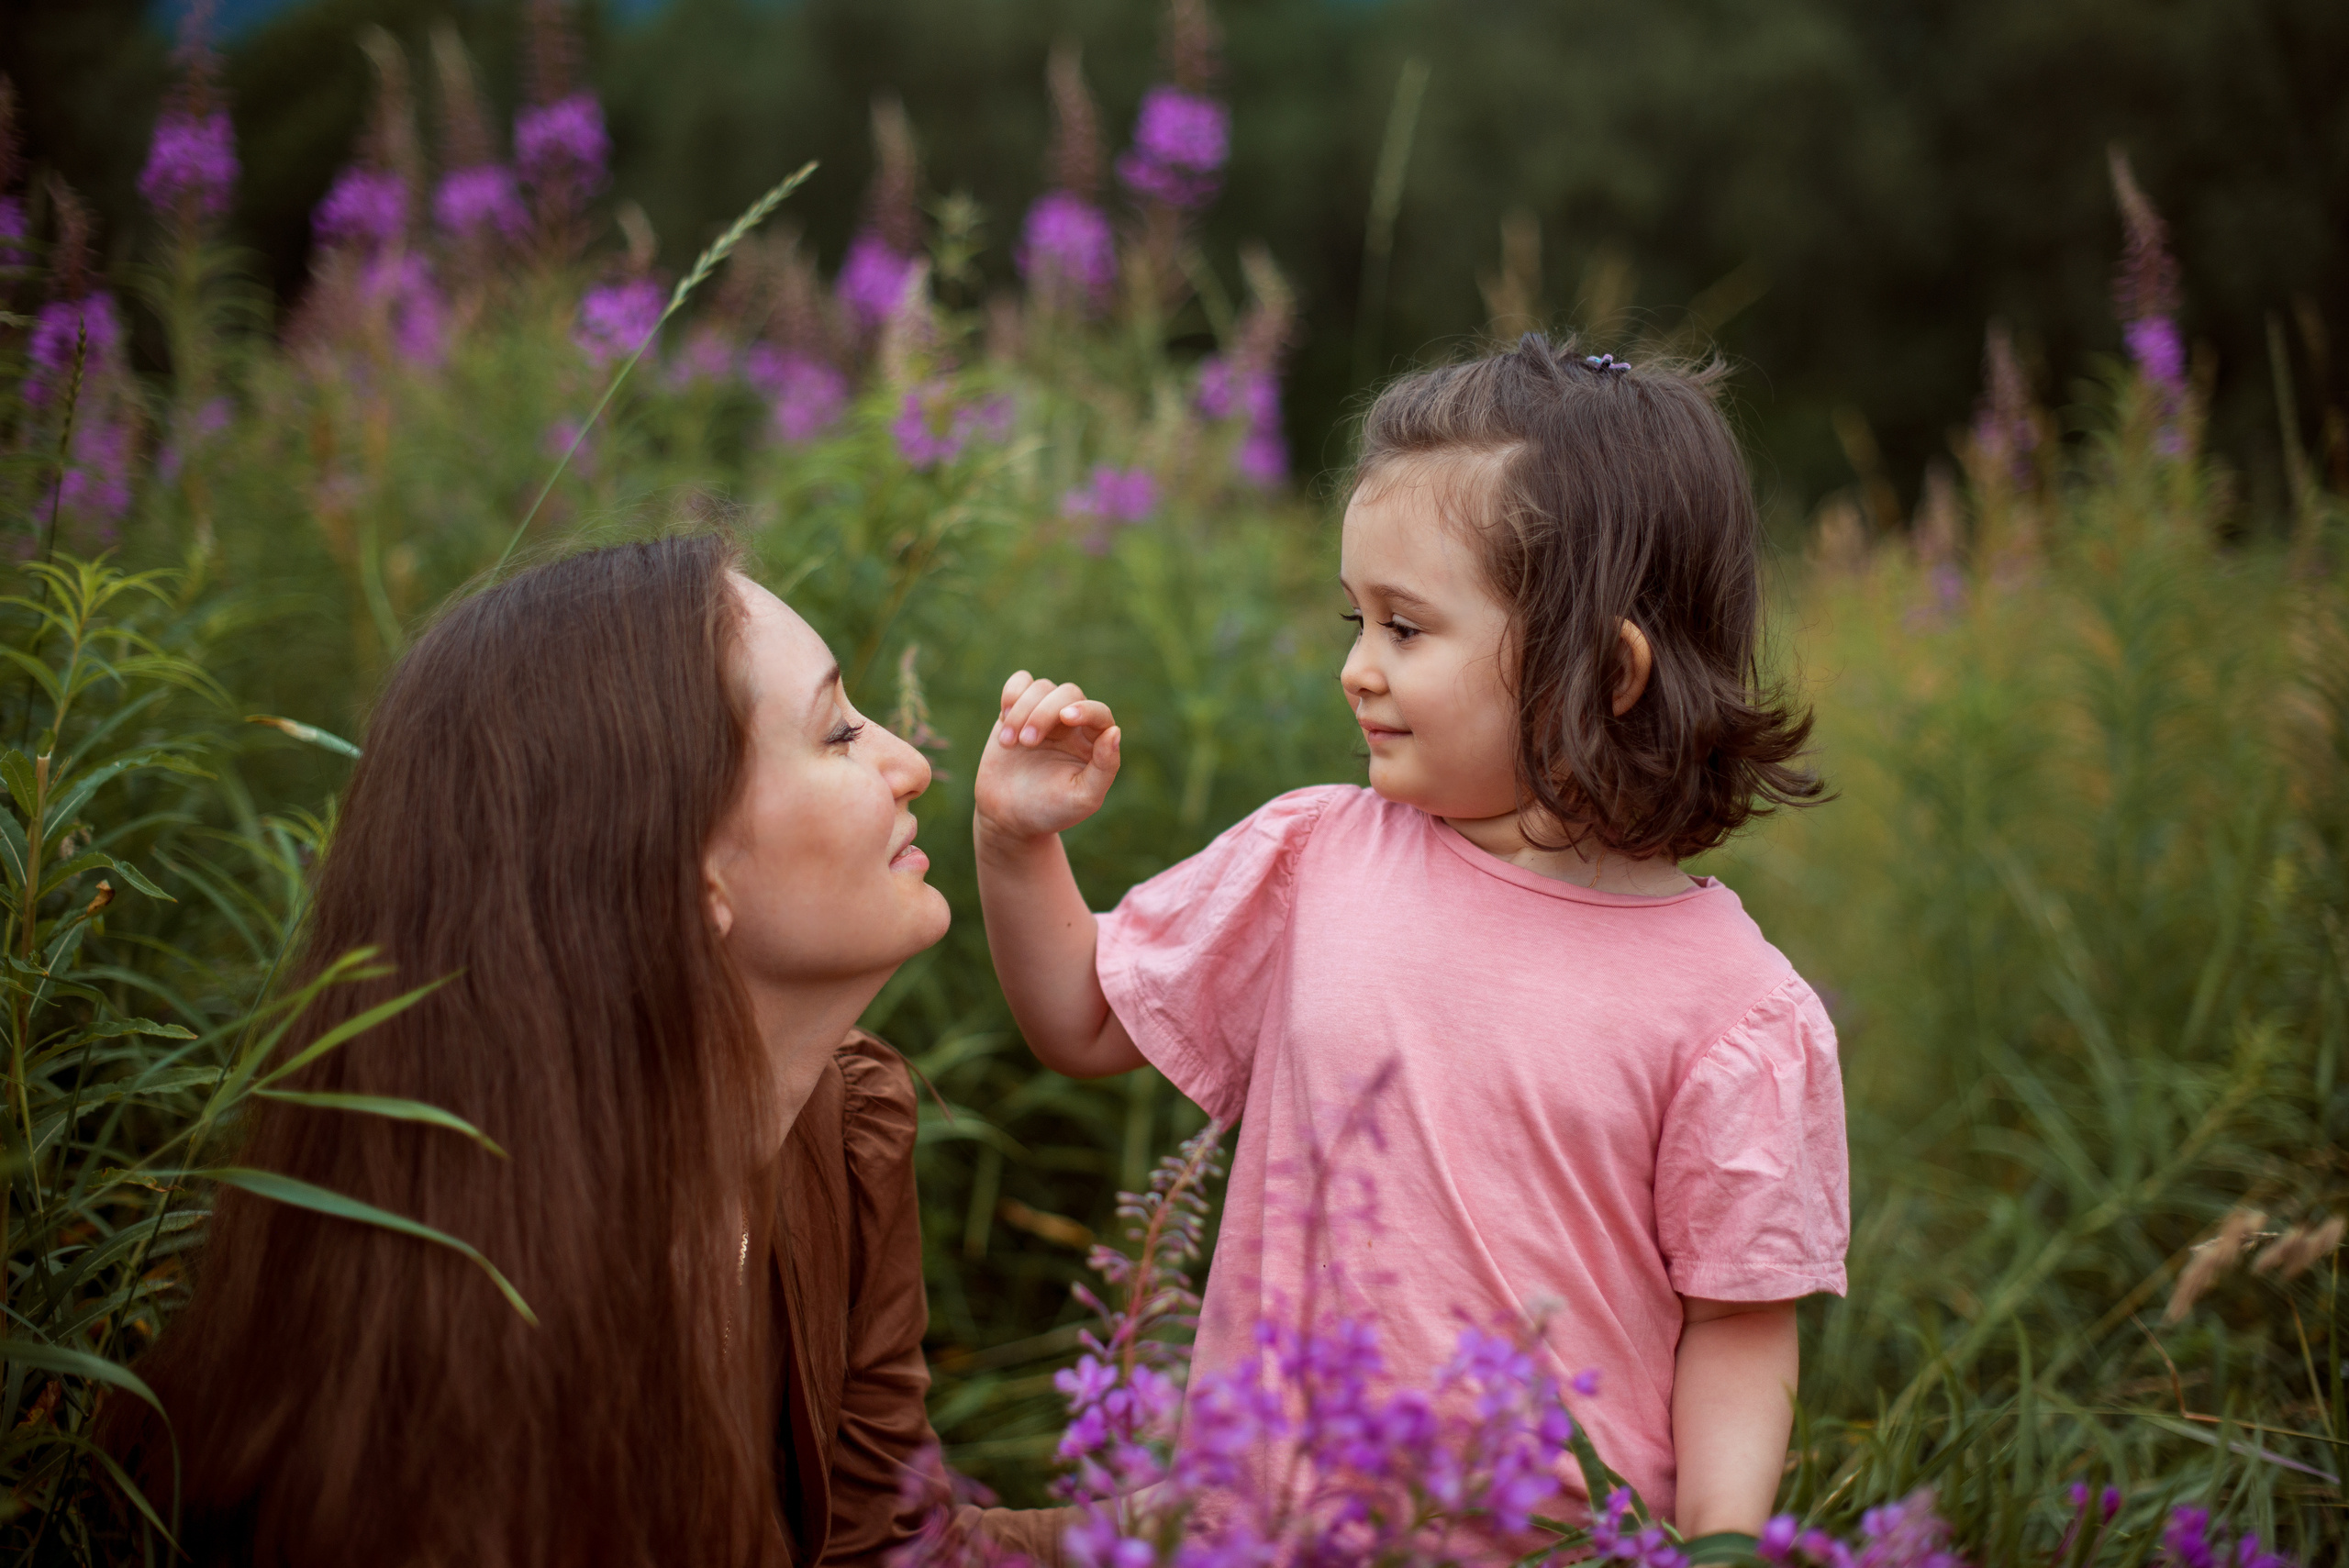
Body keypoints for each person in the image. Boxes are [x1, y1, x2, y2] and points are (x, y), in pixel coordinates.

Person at [972, 337, 1849, 1543]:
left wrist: (1723, 1538)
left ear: (1605, 670)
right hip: (1253, 1530)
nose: (1353, 670)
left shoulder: (1737, 1008)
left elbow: (1739, 1321)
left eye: (1405, 628)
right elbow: (1078, 1014)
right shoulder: (1316, 859)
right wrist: (1017, 842)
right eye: (1355, 618)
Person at [104, 535, 1062, 1567]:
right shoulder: (483, 1323)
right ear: (687, 877)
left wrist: (1220, 1508)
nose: (912, 761)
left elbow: (892, 1547)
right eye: (837, 732)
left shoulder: (842, 1123)